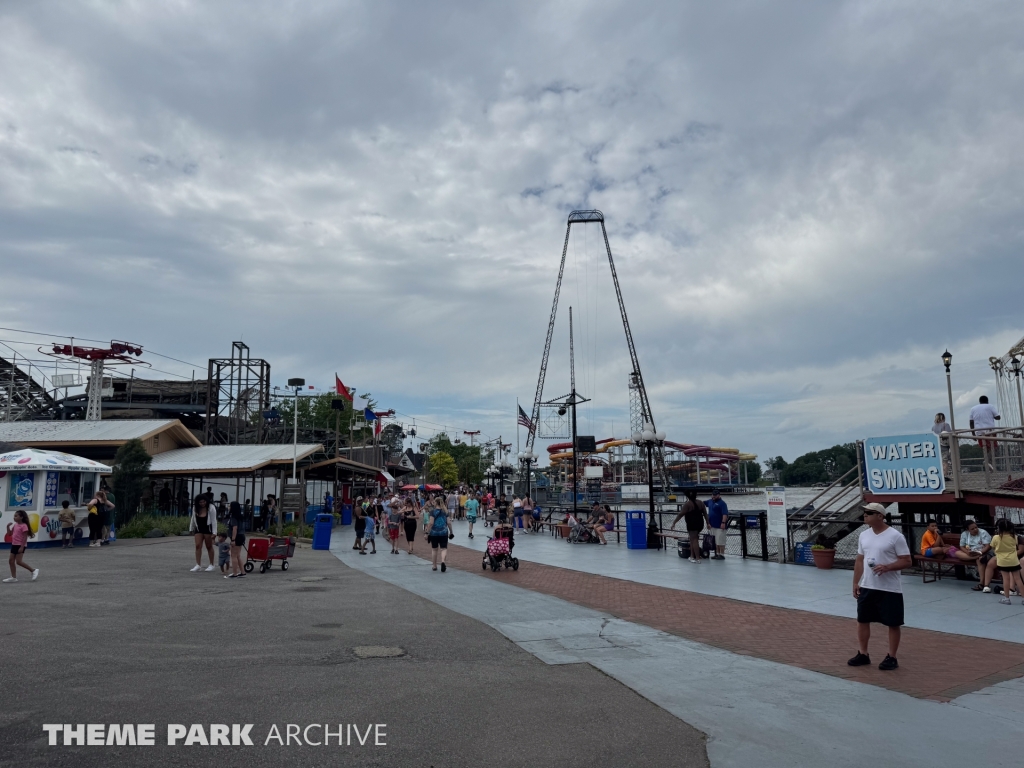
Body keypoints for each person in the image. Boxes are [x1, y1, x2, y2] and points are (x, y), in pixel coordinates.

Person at [848, 502, 912, 671]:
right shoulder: (864, 535)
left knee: (893, 623)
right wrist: (856, 582)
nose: (865, 515)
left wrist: (887, 567)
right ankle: (863, 653)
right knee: (862, 620)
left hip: (890, 588)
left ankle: (892, 656)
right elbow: (860, 559)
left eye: (869, 513)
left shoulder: (895, 536)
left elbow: (907, 560)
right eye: (864, 513)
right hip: (868, 585)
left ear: (880, 516)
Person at [980, 528, 1024, 593]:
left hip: (1015, 556)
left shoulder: (1017, 537)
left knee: (1010, 564)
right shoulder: (997, 537)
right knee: (992, 562)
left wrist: (1009, 555)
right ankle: (986, 586)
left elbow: (1021, 550)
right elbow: (994, 548)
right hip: (1003, 556)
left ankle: (1011, 589)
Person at [991, 518, 1024, 605]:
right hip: (1013, 560)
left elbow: (993, 547)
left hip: (1002, 561)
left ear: (999, 528)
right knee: (1018, 579)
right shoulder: (1015, 537)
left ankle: (1006, 598)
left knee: (1006, 579)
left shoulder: (996, 537)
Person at [671, 490, 708, 563]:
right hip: (700, 523)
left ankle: (697, 558)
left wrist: (674, 523)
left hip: (692, 523)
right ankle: (691, 556)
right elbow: (705, 514)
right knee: (692, 539)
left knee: (694, 540)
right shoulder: (701, 503)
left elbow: (680, 514)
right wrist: (708, 523)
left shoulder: (688, 504)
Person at [4, 510, 38, 583]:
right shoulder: (15, 525)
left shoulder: (24, 526)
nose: (14, 517)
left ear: (21, 517)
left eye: (16, 516)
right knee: (11, 561)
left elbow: (25, 537)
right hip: (14, 544)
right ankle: (13, 577)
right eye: (14, 516)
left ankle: (33, 570)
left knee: (19, 561)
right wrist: (7, 527)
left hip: (20, 545)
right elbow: (9, 534)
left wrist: (22, 547)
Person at [969, 395, 1001, 471]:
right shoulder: (990, 406)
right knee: (993, 447)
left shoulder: (973, 408)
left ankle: (987, 462)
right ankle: (988, 461)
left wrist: (973, 433)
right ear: (987, 401)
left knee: (985, 447)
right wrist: (990, 416)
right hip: (990, 430)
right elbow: (998, 417)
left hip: (979, 431)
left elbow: (971, 421)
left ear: (980, 401)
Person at [960, 520, 994, 591]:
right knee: (957, 553)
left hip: (984, 552)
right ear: (967, 530)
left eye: (976, 527)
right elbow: (962, 546)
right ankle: (976, 556)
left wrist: (980, 552)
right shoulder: (964, 534)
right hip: (971, 553)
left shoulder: (983, 532)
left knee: (980, 560)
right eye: (972, 529)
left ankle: (981, 583)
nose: (975, 530)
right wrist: (967, 552)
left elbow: (988, 546)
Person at [189, 496, 218, 572]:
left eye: (204, 502)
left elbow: (214, 520)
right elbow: (193, 517)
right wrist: (191, 528)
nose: (202, 504)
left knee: (209, 546)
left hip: (208, 528)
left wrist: (214, 532)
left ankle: (212, 564)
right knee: (198, 545)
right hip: (198, 528)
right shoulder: (195, 508)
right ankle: (198, 564)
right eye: (200, 502)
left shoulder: (211, 508)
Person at [428, 499, 452, 572]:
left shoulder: (432, 512)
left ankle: (434, 565)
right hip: (444, 532)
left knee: (434, 549)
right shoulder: (445, 512)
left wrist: (427, 532)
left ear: (436, 503)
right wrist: (451, 531)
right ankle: (443, 562)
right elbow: (449, 523)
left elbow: (431, 523)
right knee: (443, 548)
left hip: (434, 533)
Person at [706, 489, 729, 560]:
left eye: (715, 495)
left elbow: (725, 514)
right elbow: (702, 503)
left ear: (719, 495)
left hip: (720, 525)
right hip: (712, 525)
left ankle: (721, 554)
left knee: (720, 540)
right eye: (713, 495)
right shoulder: (709, 501)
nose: (714, 496)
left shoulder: (722, 503)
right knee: (715, 541)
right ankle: (717, 553)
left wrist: (723, 523)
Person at [226, 501, 246, 579]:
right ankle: (242, 571)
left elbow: (235, 528)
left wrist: (233, 540)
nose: (228, 507)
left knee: (233, 555)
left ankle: (234, 573)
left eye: (230, 506)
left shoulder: (234, 517)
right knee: (238, 555)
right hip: (241, 536)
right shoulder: (240, 517)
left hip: (236, 537)